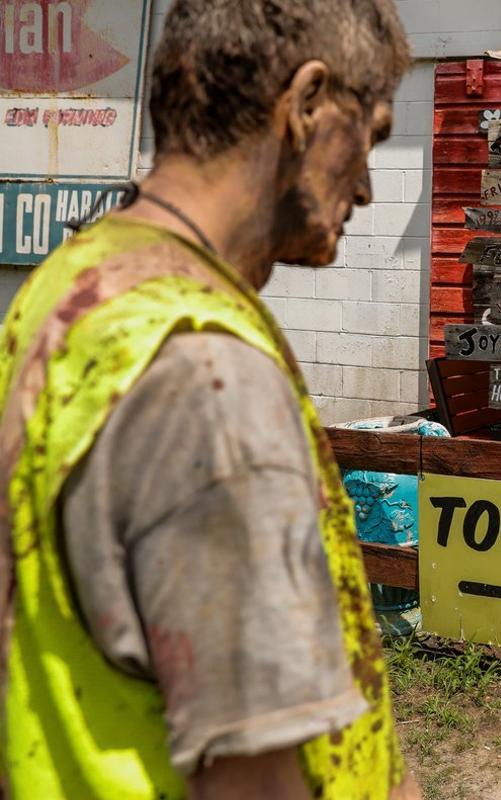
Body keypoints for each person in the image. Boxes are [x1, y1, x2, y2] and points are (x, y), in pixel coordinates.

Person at [0, 2, 418, 798]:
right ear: (304, 105)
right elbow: (256, 781)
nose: (365, 185)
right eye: (372, 133)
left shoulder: (70, 285)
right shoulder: (208, 376)